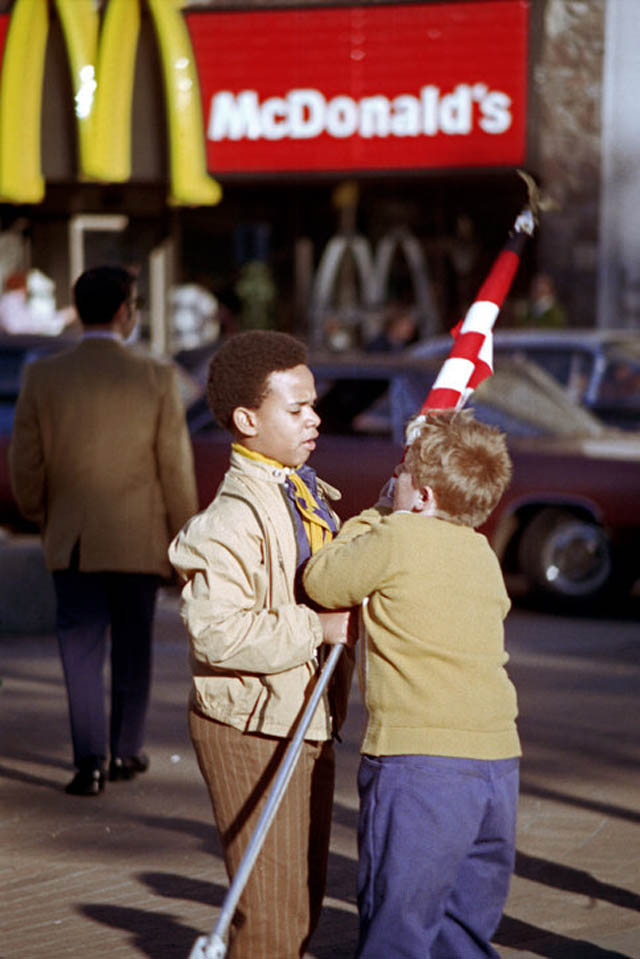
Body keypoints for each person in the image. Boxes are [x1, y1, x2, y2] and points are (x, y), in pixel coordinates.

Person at [303, 408, 521, 959]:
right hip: (496, 763)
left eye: (399, 475)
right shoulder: (481, 554)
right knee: (464, 922)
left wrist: (376, 515)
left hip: (418, 764)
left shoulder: (396, 536)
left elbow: (324, 578)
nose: (392, 482)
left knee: (397, 918)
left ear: (421, 497)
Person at [168, 330, 354, 959]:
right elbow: (217, 632)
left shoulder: (298, 487)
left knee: (303, 895)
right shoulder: (229, 519)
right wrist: (318, 629)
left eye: (313, 405)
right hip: (251, 724)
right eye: (296, 408)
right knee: (272, 911)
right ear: (247, 420)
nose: (315, 418)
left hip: (306, 711)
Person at [9, 265, 198, 796]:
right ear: (124, 310)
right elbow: (175, 468)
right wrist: (186, 537)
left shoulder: (42, 375)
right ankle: (126, 751)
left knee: (80, 651)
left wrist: (42, 514)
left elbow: (25, 463)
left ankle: (89, 761)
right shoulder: (157, 377)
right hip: (139, 539)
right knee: (134, 648)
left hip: (72, 539)